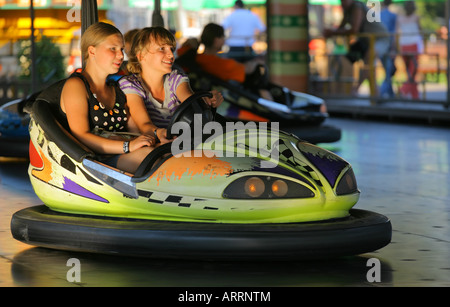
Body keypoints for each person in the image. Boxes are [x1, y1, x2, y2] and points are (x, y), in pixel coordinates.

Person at [60, 22, 157, 174]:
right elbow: (81, 135)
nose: (121, 55)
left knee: (165, 153)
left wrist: (154, 138)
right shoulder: (76, 85)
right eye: (113, 49)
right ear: (92, 51)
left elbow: (134, 129)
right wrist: (127, 146)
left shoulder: (115, 89)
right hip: (93, 162)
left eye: (122, 49)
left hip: (122, 154)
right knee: (150, 158)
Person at [118, 27, 223, 140]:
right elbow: (145, 125)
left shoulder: (175, 78)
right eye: (162, 49)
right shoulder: (131, 85)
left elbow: (190, 100)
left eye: (171, 49)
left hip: (181, 143)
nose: (171, 55)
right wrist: (160, 134)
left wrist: (207, 100)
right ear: (141, 55)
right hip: (152, 146)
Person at [177, 23, 271, 99]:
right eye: (223, 37)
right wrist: (258, 62)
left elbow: (181, 53)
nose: (224, 41)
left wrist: (194, 43)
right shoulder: (222, 64)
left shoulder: (195, 58)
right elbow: (247, 69)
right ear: (216, 40)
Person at [323, 0, 390, 96]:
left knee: (369, 59)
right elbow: (341, 27)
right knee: (351, 60)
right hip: (366, 40)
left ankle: (355, 89)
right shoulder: (348, 10)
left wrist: (332, 32)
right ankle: (375, 95)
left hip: (379, 39)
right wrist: (332, 32)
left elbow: (354, 29)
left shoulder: (356, 6)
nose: (342, 3)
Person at [397, 0, 422, 99]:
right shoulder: (416, 18)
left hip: (404, 45)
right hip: (413, 45)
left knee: (410, 71)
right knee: (412, 71)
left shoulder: (400, 18)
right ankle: (404, 90)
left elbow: (397, 32)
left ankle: (415, 95)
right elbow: (420, 30)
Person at [380, 0, 397, 98]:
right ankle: (381, 93)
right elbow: (393, 34)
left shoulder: (377, 16)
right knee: (388, 70)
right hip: (388, 46)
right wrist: (393, 48)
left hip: (379, 45)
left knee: (388, 69)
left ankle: (391, 94)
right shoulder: (392, 16)